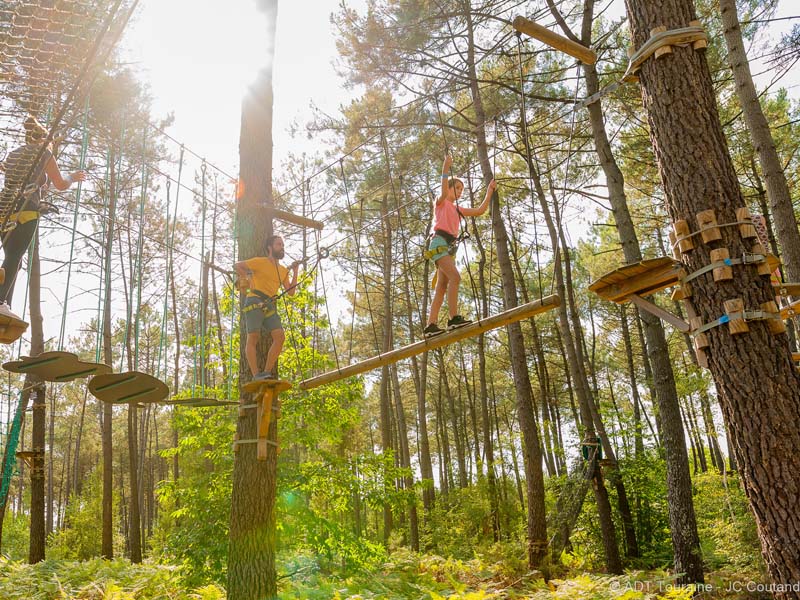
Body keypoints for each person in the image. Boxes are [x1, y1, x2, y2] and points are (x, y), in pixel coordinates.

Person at [0, 116, 86, 313]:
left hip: (4, 208)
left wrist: (42, 185)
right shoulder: (44, 153)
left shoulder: (13, 155)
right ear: (44, 139)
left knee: (13, 259)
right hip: (25, 209)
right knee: (14, 256)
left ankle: (4, 304)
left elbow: (19, 180)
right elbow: (61, 184)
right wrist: (72, 177)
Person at [424, 154, 496, 337]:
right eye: (456, 187)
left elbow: (479, 211)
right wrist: (445, 168)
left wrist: (489, 191)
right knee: (455, 277)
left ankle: (431, 325)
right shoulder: (441, 203)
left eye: (462, 189)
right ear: (448, 188)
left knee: (442, 286)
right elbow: (442, 189)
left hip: (448, 248)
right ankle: (453, 318)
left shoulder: (458, 209)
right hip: (438, 242)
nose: (460, 191)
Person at [234, 234, 301, 382]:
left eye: (283, 245)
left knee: (279, 337)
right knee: (253, 337)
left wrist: (295, 271)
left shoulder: (282, 270)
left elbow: (291, 292)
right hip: (254, 299)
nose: (282, 247)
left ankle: (266, 372)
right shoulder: (260, 262)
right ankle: (256, 375)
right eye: (279, 244)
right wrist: (248, 278)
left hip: (268, 304)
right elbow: (238, 265)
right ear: (270, 248)